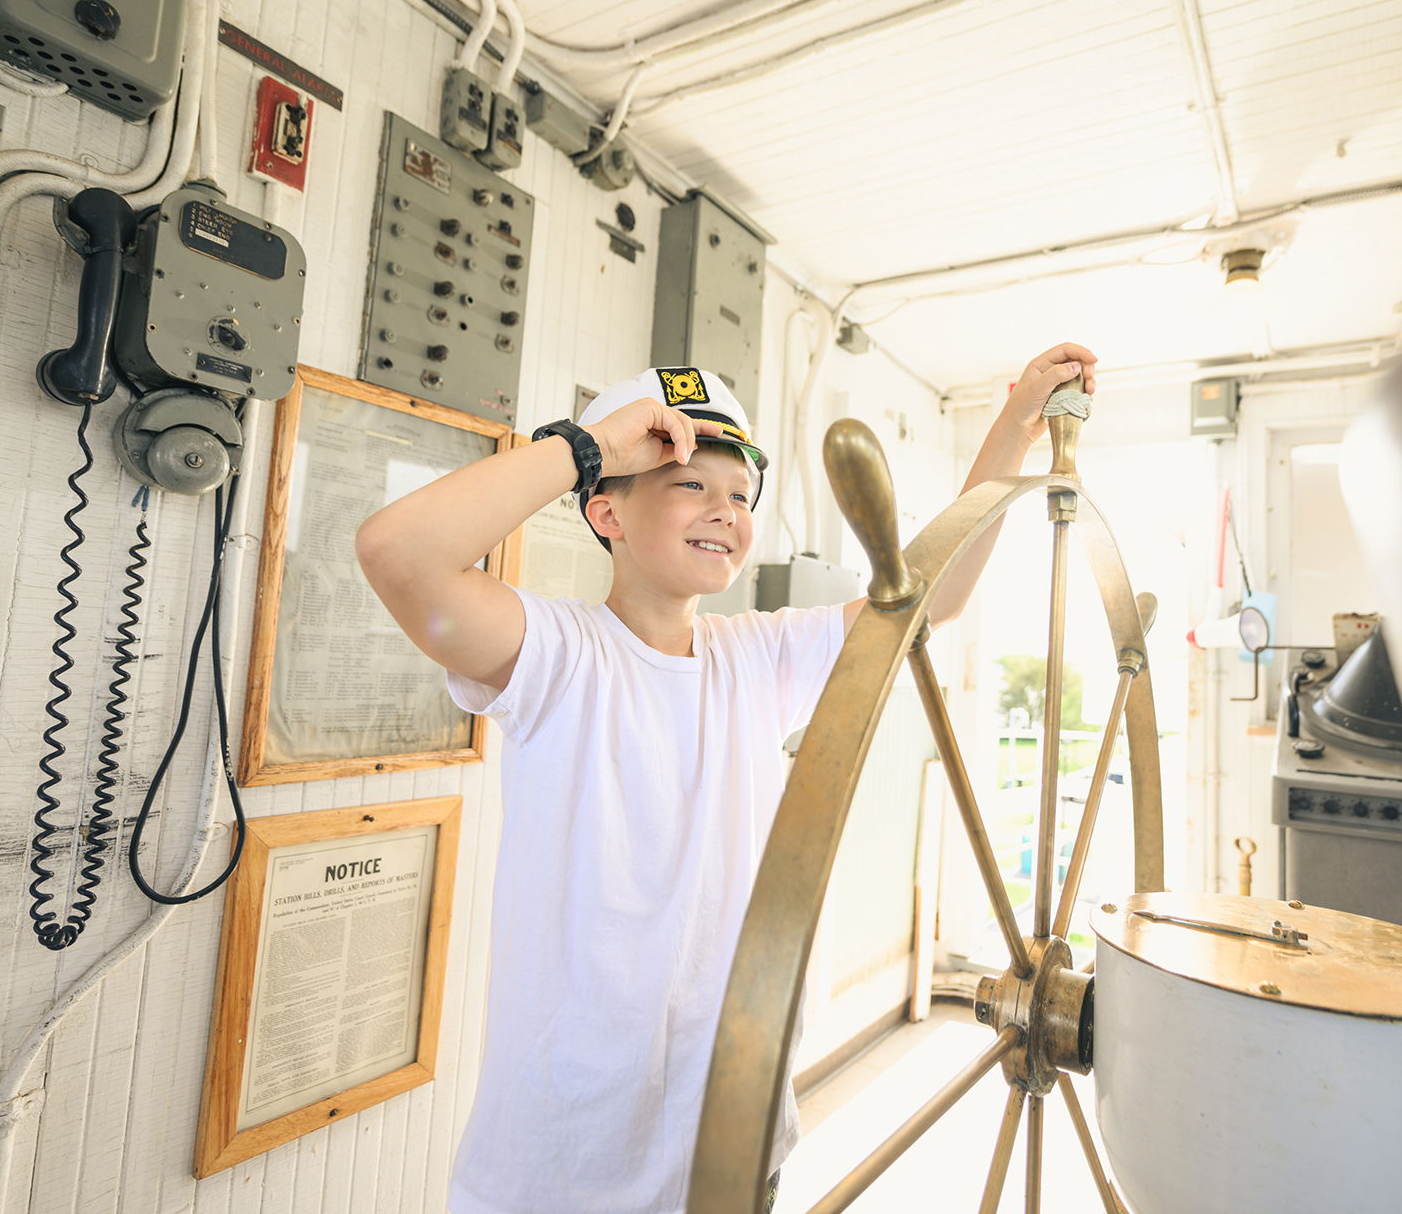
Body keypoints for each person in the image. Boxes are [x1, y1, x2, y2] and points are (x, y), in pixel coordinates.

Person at [355, 342, 1099, 1214]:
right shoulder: (558, 656)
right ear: (608, 514)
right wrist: (588, 445)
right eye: (688, 484)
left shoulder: (758, 657)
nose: (727, 512)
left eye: (741, 495)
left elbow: (929, 599)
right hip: (564, 1170)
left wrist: (1012, 426)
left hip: (734, 1146)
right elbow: (398, 553)